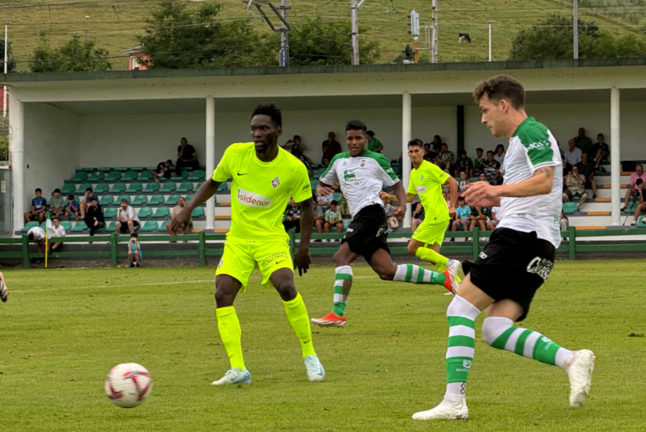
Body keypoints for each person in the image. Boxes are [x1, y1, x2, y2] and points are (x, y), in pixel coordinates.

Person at [412, 75, 594, 421]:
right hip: (538, 245)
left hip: (520, 239)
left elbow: (546, 181)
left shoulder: (531, 132)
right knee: (495, 329)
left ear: (503, 105)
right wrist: (498, 197)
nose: (483, 118)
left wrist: (496, 191)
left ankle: (454, 403)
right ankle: (571, 359)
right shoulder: (519, 142)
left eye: (484, 110)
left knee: (459, 310)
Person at [170, 103, 324, 385]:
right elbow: (213, 183)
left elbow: (307, 208)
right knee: (222, 294)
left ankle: (310, 355)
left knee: (287, 287)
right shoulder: (235, 154)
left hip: (271, 238)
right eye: (254, 128)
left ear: (278, 131)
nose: (257, 134)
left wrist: (303, 248)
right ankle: (238, 369)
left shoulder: (293, 168)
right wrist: (188, 208)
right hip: (239, 239)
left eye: (263, 128)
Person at [311, 121, 459, 328]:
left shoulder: (376, 159)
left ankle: (338, 313)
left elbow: (396, 184)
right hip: (361, 216)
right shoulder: (338, 160)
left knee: (340, 257)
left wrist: (402, 206)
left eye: (358, 138)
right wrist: (319, 189)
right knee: (387, 271)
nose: (354, 142)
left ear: (366, 139)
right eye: (350, 138)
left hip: (371, 213)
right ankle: (442, 278)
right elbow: (323, 182)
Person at [382, 138, 460, 277]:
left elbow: (453, 182)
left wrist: (452, 206)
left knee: (412, 247)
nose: (413, 154)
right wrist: (389, 197)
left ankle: (450, 263)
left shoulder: (429, 168)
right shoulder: (414, 173)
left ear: (423, 152)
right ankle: (457, 286)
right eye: (411, 151)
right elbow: (410, 198)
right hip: (435, 216)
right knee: (432, 256)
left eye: (416, 151)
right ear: (407, 154)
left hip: (437, 214)